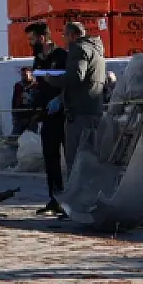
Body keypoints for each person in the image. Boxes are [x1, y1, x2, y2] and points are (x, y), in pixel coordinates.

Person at [25, 21, 69, 214]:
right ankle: (55, 198)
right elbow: (40, 84)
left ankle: (73, 199)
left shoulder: (62, 56)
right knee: (50, 157)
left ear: (43, 37)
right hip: (47, 115)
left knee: (70, 157)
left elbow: (72, 82)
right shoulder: (38, 60)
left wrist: (60, 99)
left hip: (65, 114)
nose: (31, 43)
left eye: (32, 39)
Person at [61, 19, 107, 175]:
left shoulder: (79, 49)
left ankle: (76, 194)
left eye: (64, 35)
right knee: (91, 155)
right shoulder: (97, 50)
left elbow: (76, 76)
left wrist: (52, 79)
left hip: (79, 111)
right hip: (94, 109)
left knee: (75, 158)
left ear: (72, 36)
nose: (64, 40)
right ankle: (90, 192)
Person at [10, 66, 39, 131]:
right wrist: (14, 116)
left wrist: (37, 115)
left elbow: (39, 100)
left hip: (32, 116)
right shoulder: (18, 85)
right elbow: (14, 101)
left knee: (32, 137)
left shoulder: (36, 85)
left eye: (25, 75)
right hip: (20, 116)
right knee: (15, 136)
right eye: (22, 75)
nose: (23, 77)